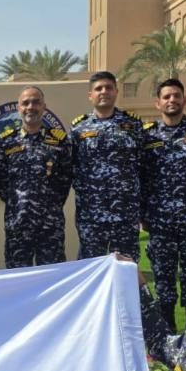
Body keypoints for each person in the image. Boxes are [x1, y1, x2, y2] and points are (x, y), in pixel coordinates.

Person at [141, 78, 186, 333]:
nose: (172, 100)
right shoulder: (147, 135)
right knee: (163, 279)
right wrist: (143, 213)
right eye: (167, 96)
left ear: (184, 100)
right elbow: (142, 177)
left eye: (176, 96)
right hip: (160, 221)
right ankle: (168, 331)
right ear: (158, 103)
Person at [0, 86, 72, 267]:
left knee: (53, 275)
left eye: (36, 102)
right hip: (17, 224)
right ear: (19, 108)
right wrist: (18, 204)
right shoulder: (5, 141)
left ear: (44, 107)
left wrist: (49, 205)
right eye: (26, 103)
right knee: (18, 277)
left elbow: (65, 180)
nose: (31, 107)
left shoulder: (60, 141)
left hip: (50, 225)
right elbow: (1, 181)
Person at [71, 71, 144, 259]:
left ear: (116, 92)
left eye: (108, 88)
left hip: (125, 213)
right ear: (90, 95)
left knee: (126, 266)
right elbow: (72, 167)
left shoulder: (133, 124)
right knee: (91, 266)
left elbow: (144, 165)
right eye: (98, 88)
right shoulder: (79, 128)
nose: (104, 91)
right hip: (91, 214)